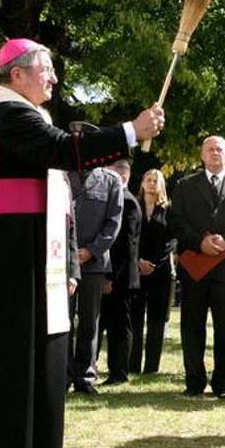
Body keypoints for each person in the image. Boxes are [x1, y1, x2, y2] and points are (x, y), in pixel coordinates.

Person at [0, 38, 164, 448]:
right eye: (45, 69)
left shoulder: (24, 113)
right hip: (9, 250)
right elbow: (66, 150)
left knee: (30, 345)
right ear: (17, 74)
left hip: (28, 244)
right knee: (10, 349)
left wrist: (67, 262)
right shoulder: (9, 114)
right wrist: (131, 130)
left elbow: (60, 191)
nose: (53, 77)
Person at [168, 136, 225, 398]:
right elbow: (176, 220)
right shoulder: (185, 186)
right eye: (209, 149)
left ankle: (223, 385)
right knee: (191, 327)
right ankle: (194, 383)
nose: (215, 153)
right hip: (194, 268)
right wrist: (200, 242)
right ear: (202, 155)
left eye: (220, 149)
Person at [67, 166, 123, 394]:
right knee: (63, 321)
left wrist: (92, 250)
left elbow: (113, 222)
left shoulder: (110, 180)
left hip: (94, 263)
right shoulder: (61, 174)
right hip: (63, 262)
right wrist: (70, 253)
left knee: (90, 322)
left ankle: (85, 377)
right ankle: (62, 375)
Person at [99, 159, 141, 386]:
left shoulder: (127, 201)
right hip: (114, 275)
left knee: (118, 326)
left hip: (120, 277)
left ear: (122, 175)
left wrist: (109, 277)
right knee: (108, 323)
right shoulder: (118, 198)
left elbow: (124, 244)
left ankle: (119, 372)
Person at [130, 168, 175, 374]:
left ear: (161, 185)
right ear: (142, 183)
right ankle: (133, 364)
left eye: (155, 180)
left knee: (156, 319)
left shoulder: (169, 209)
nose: (151, 183)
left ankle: (151, 367)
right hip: (136, 270)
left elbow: (171, 240)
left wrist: (154, 262)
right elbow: (128, 237)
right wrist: (138, 261)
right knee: (135, 317)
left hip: (160, 271)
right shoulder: (133, 205)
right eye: (148, 179)